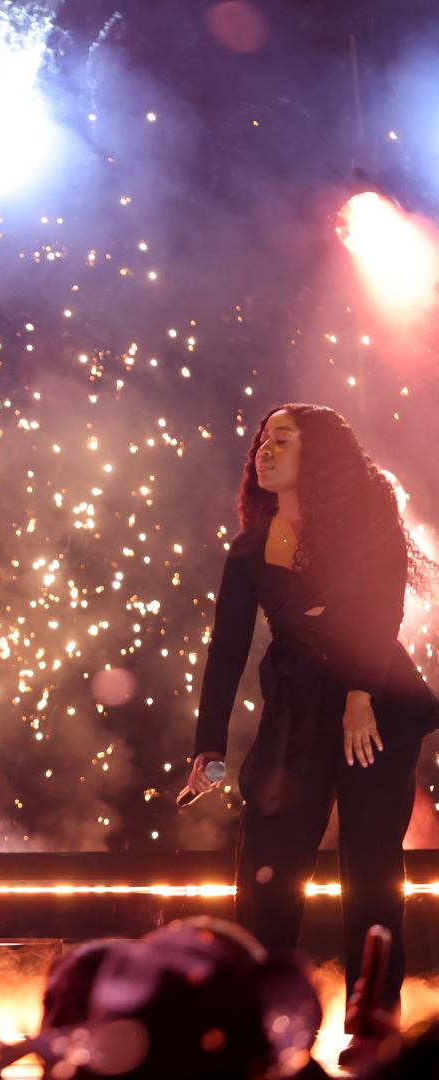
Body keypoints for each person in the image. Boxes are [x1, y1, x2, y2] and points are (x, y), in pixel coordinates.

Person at [186, 404, 439, 1063]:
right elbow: (226, 650)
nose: (264, 452)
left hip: (377, 708)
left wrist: (359, 695)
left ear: (318, 454)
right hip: (297, 714)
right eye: (261, 442)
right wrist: (208, 748)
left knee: (372, 870)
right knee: (267, 866)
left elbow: (379, 613)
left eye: (282, 440)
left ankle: (373, 1024)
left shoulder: (368, 523)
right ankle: (261, 1018)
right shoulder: (249, 547)